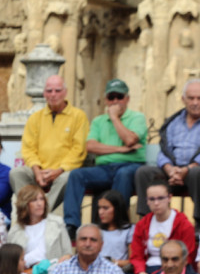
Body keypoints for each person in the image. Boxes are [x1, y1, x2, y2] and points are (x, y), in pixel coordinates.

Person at [62, 79, 147, 233]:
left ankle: (114, 224)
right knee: (76, 175)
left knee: (123, 174)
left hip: (130, 166)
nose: (115, 101)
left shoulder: (137, 117)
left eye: (119, 97)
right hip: (104, 168)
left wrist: (114, 118)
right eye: (111, 97)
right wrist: (120, 150)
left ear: (127, 98)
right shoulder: (98, 121)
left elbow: (130, 139)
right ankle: (71, 225)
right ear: (106, 100)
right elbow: (90, 146)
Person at [132, 77, 200, 225]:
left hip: (196, 170)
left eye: (199, 98)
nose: (195, 102)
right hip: (172, 171)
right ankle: (146, 222)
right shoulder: (173, 122)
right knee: (144, 172)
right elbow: (164, 149)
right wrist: (170, 169)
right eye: (190, 98)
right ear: (183, 99)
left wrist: (188, 169)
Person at [9, 74, 89, 210]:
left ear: (65, 92)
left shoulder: (78, 116)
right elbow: (28, 148)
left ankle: (42, 213)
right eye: (49, 91)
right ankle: (27, 210)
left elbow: (79, 149)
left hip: (63, 171)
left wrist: (58, 171)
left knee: (68, 177)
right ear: (44, 94)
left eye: (57, 91)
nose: (53, 95)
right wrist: (37, 170)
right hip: (38, 171)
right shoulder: (35, 118)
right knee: (16, 173)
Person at [130, 182, 196, 274]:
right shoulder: (142, 224)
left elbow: (187, 257)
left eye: (160, 198)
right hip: (147, 268)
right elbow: (137, 255)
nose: (156, 203)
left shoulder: (183, 224)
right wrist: (140, 273)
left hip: (174, 269)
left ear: (170, 198)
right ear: (147, 201)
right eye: (151, 199)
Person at [6, 184, 71, 273]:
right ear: (24, 203)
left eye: (42, 199)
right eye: (34, 200)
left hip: (52, 272)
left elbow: (68, 254)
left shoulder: (57, 222)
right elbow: (10, 263)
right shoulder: (14, 231)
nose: (39, 203)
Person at [95, 190, 133, 274]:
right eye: (99, 208)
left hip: (119, 272)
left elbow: (132, 261)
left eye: (105, 208)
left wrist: (111, 261)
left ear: (117, 209)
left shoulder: (129, 230)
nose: (101, 212)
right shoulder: (95, 230)